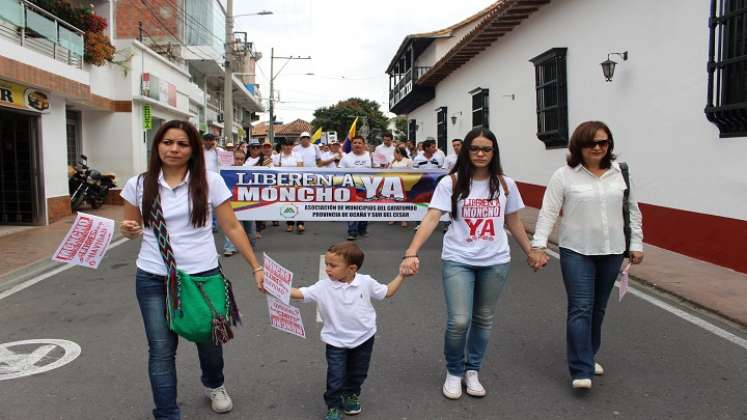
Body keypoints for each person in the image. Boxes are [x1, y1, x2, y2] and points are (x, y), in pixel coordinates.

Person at [119, 120, 264, 420]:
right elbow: (131, 228)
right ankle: (167, 413)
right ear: (157, 145)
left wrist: (255, 266)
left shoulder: (210, 181)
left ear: (193, 149)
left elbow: (232, 226)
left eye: (182, 144)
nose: (174, 149)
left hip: (203, 275)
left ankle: (215, 384)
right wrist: (129, 231)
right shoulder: (138, 184)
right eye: (168, 142)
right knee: (161, 348)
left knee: (208, 341)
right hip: (153, 277)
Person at [399, 127, 537, 400]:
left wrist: (530, 251)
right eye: (475, 148)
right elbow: (432, 217)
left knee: (483, 319)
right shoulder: (450, 183)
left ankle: (472, 370)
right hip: (458, 259)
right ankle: (454, 370)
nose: (480, 154)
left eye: (486, 149)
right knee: (459, 321)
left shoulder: (505, 184)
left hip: (496, 260)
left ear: (494, 152)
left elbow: (513, 221)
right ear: (466, 151)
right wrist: (411, 251)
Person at [529, 120, 643, 390]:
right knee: (581, 307)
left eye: (603, 142)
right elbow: (548, 212)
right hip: (576, 251)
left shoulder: (620, 173)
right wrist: (538, 245)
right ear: (578, 146)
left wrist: (636, 243)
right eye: (591, 143)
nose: (597, 147)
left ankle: (589, 355)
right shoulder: (564, 175)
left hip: (612, 250)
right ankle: (581, 368)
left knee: (598, 308)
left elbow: (632, 210)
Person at [288, 242, 409, 420]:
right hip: (335, 341)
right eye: (327, 264)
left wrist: (401, 275)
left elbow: (387, 292)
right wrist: (275, 288)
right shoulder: (323, 286)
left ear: (352, 269)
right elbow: (300, 293)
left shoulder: (366, 282)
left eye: (333, 265)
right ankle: (334, 406)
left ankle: (352, 394)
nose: (327, 269)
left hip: (364, 338)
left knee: (358, 371)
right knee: (335, 376)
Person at [224, 148, 257, 255]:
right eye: (237, 159)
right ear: (232, 159)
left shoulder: (249, 171)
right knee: (231, 226)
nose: (239, 161)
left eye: (242, 159)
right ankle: (230, 248)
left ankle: (249, 245)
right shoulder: (225, 171)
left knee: (250, 229)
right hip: (231, 203)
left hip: (247, 202)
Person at [338, 135, 372, 240]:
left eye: (359, 143)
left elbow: (378, 169)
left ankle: (362, 228)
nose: (357, 144)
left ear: (363, 145)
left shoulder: (370, 155)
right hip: (351, 187)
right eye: (355, 143)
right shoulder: (346, 158)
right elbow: (339, 173)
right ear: (352, 145)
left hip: (367, 187)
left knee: (365, 209)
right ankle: (352, 231)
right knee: (352, 209)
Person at [272, 138, 305, 233]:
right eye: (286, 145)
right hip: (283, 183)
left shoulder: (298, 155)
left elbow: (301, 169)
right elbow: (276, 171)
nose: (288, 147)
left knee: (299, 203)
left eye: (290, 145)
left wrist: (296, 182)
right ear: (282, 146)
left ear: (292, 146)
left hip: (296, 182)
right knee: (287, 204)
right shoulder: (277, 157)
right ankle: (290, 224)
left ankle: (300, 223)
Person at [389, 145, 412, 228]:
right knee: (394, 201)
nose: (394, 154)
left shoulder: (408, 161)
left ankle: (404, 219)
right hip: (394, 183)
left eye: (395, 152)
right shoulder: (393, 162)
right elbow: (388, 171)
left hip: (404, 183)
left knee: (403, 201)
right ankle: (394, 217)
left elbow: (411, 172)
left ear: (399, 153)